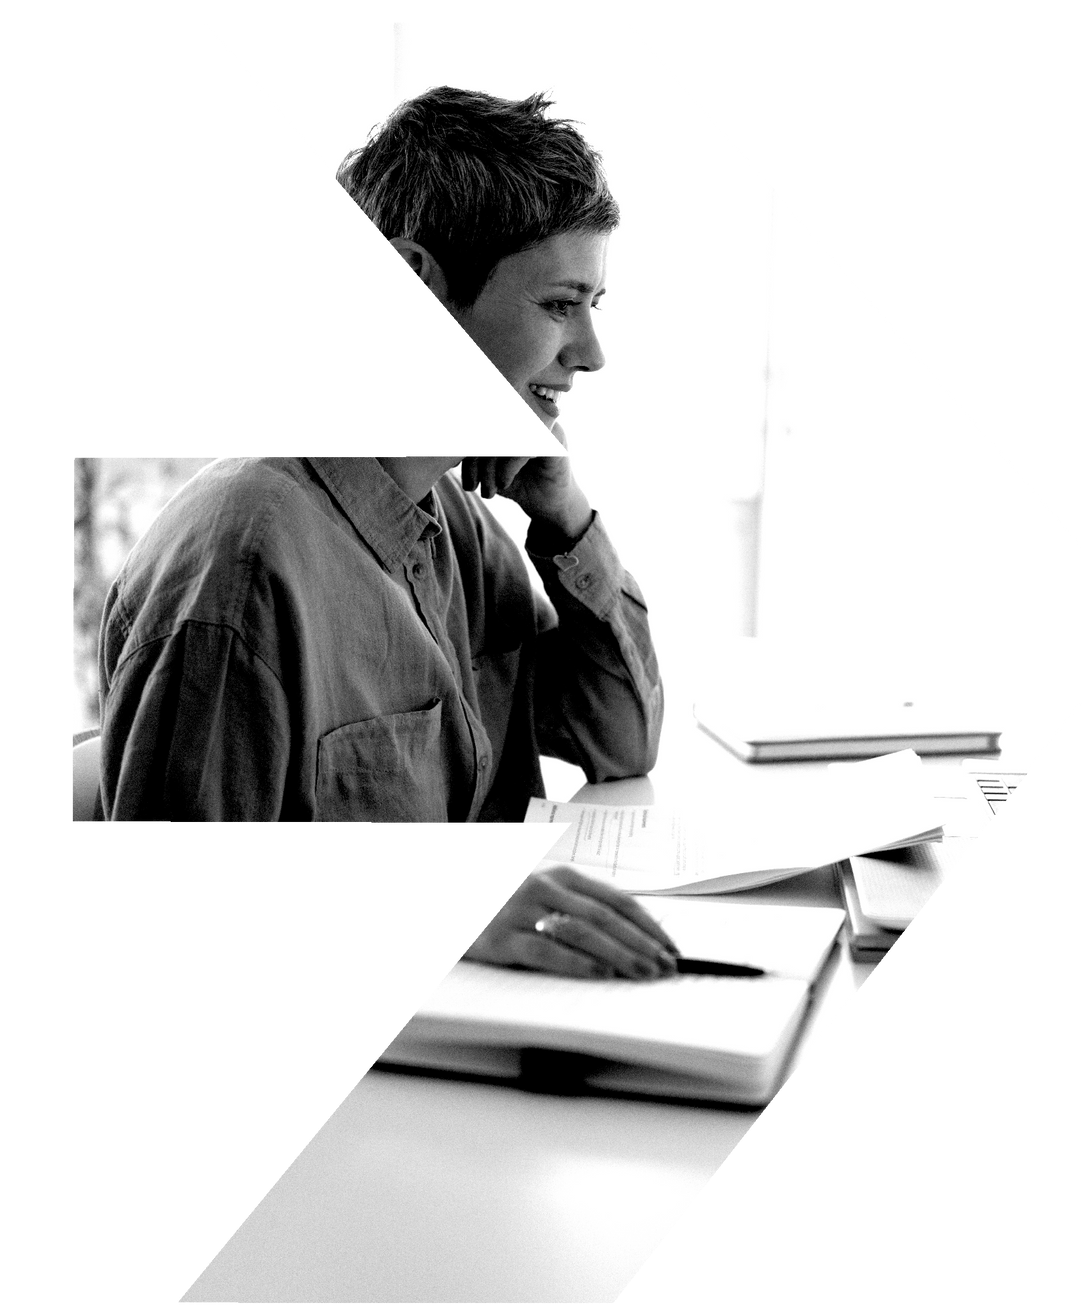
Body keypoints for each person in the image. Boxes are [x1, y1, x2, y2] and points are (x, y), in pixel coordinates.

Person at [96, 87, 679, 979]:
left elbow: (617, 744)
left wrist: (565, 516)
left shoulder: (451, 516)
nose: (591, 352)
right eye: (561, 304)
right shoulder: (244, 554)